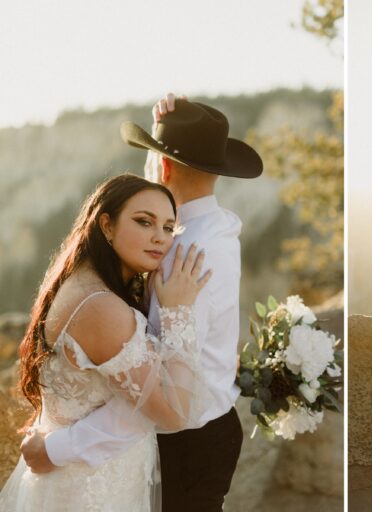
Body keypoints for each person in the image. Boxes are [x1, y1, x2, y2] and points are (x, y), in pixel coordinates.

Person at [19, 94, 263, 511]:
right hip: (208, 427)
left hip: (186, 438)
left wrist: (57, 449)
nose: (158, 235)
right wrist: (163, 143)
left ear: (163, 165)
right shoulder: (215, 229)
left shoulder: (180, 257)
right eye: (148, 223)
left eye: (162, 226)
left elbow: (158, 397)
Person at [0, 174, 212, 511]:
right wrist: (179, 312)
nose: (160, 238)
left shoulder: (86, 284)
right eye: (145, 222)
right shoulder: (100, 307)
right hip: (88, 491)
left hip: (88, 477)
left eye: (169, 228)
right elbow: (174, 412)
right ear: (107, 226)